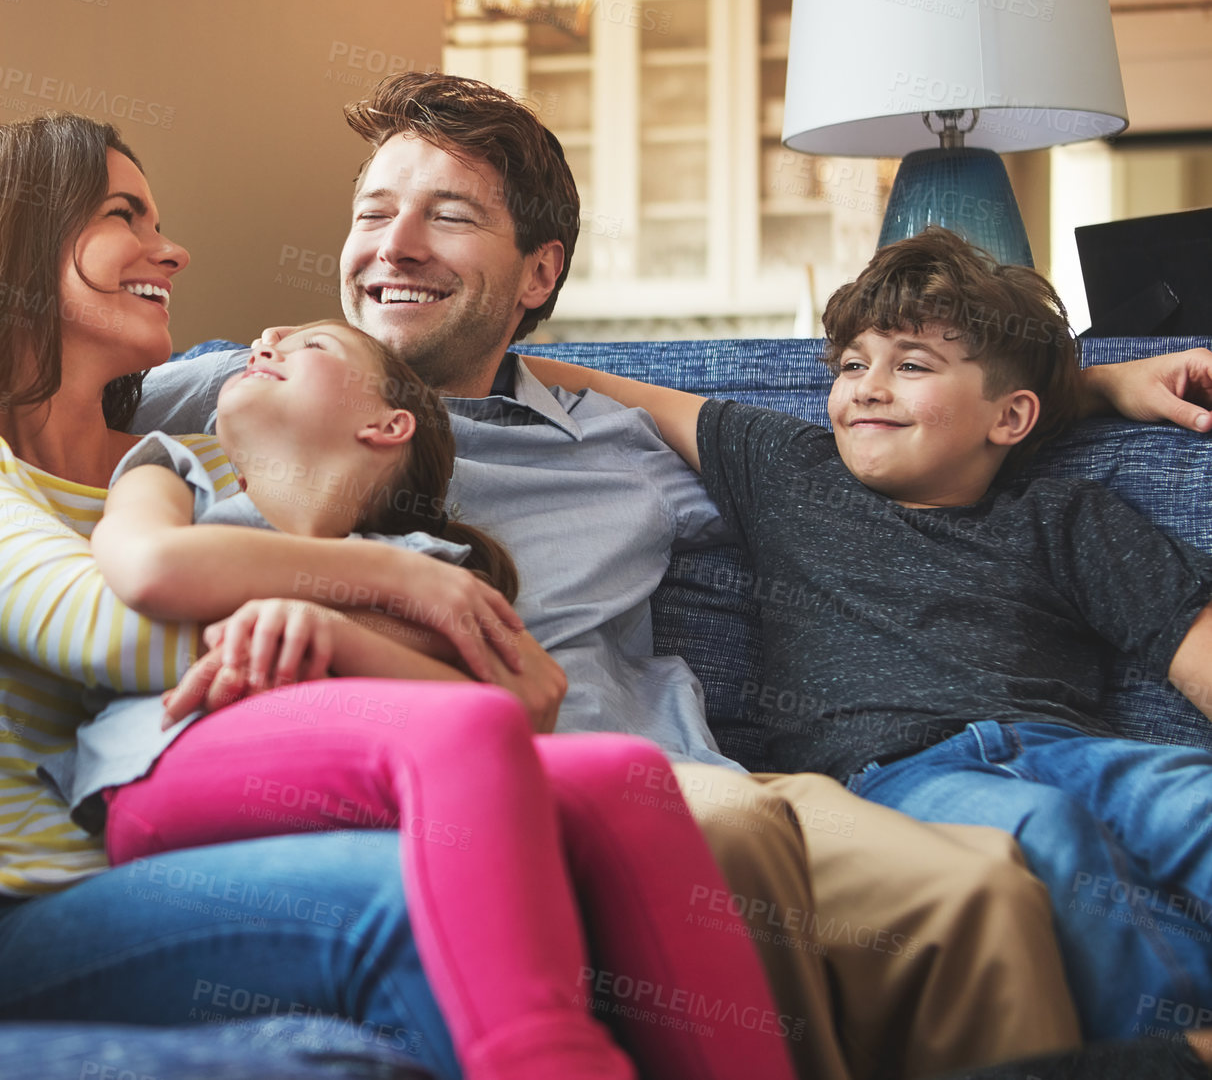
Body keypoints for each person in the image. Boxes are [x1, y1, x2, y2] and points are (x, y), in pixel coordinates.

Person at [130, 72, 1183, 1080]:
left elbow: (877, 443)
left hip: (690, 774)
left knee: (979, 888)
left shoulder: (621, 442)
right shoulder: (247, 388)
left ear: (538, 275)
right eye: (371, 212)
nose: (393, 245)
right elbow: (34, 387)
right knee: (723, 839)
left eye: (446, 216)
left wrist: (1079, 381)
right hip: (471, 786)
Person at [0, 112, 546, 1080]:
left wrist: (400, 637)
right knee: (408, 904)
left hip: (199, 857)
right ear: (11, 236)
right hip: (2, 923)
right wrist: (390, 588)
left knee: (518, 875)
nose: (174, 250)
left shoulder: (191, 463)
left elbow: (441, 663)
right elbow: (100, 624)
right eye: (126, 214)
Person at [521, 226, 1212, 1045]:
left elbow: (1193, 645)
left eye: (911, 365)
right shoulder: (787, 468)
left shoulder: (1068, 519)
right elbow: (568, 381)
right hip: (895, 778)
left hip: (1069, 748)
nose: (868, 388)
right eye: (852, 365)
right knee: (1046, 839)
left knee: (1195, 803)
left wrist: (1087, 387)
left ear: (1012, 416)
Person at [78, 317, 796, 1079]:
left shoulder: (437, 566)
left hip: (375, 774)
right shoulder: (178, 472)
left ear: (387, 425)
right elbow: (152, 565)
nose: (266, 338)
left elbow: (527, 709)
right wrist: (370, 615)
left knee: (630, 779)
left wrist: (331, 629)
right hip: (167, 758)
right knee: (471, 727)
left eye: (313, 346)